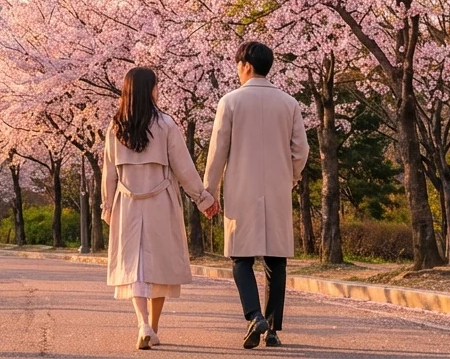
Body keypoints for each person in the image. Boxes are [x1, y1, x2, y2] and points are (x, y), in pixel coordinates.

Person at [102, 66, 219, 350]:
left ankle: (143, 324)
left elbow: (109, 173)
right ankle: (152, 327)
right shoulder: (165, 124)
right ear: (150, 90)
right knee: (157, 265)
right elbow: (184, 168)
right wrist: (203, 199)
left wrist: (107, 206)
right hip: (160, 202)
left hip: (127, 203)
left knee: (134, 266)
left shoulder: (115, 127)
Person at [203, 41, 309, 350]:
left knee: (241, 257)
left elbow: (218, 151)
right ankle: (272, 329)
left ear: (246, 65)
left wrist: (210, 191)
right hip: (277, 188)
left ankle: (254, 316)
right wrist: (290, 177)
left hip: (241, 188)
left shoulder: (230, 101)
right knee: (276, 260)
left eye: (238, 65)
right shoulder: (289, 103)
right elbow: (301, 149)